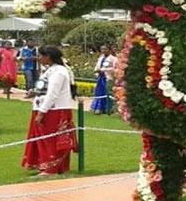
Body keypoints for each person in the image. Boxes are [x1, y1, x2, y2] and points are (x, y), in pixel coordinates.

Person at [22, 46, 78, 177]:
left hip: (54, 111)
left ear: (48, 56)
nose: (39, 58)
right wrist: (34, 93)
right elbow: (45, 89)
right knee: (42, 139)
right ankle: (47, 166)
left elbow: (53, 94)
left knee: (51, 140)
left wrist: (42, 112)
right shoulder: (49, 70)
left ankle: (51, 169)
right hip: (44, 108)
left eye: (41, 56)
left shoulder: (59, 72)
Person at [91, 45, 118, 114]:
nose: (103, 51)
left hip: (108, 78)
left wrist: (105, 70)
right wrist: (97, 70)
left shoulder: (113, 59)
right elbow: (97, 66)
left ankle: (108, 108)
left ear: (109, 50)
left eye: (105, 49)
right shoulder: (101, 58)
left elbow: (116, 69)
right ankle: (98, 107)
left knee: (107, 92)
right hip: (100, 77)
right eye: (102, 49)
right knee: (99, 92)